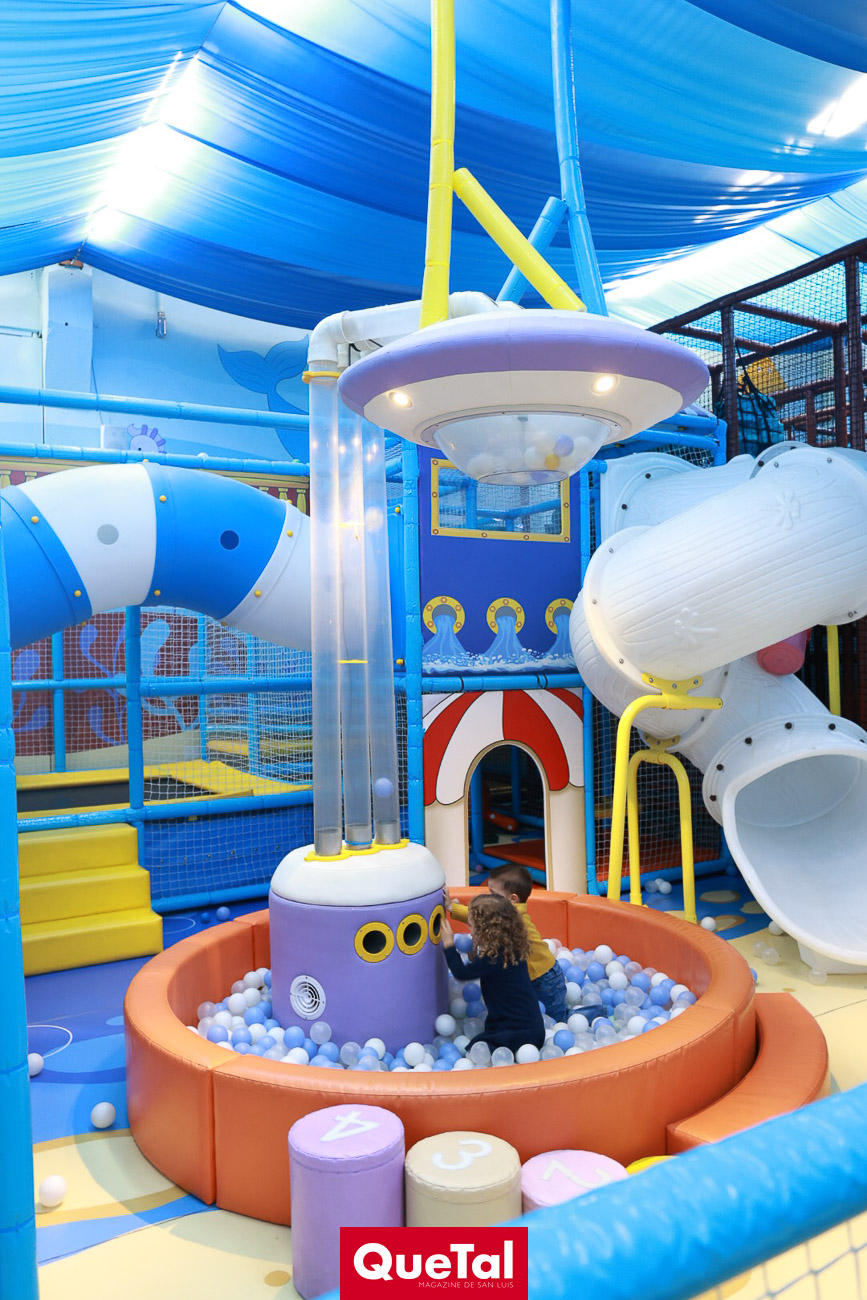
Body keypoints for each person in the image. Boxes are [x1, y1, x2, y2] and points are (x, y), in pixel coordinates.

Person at [444, 863, 570, 1023]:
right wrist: (451, 907)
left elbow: (479, 918)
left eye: (494, 894)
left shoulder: (512, 918)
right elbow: (479, 917)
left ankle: (596, 1012)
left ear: (512, 899)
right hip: (531, 977)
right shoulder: (505, 913)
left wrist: (452, 909)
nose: (490, 898)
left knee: (558, 1018)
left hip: (544, 977)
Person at [441, 894, 545, 1054]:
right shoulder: (513, 948)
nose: (470, 932)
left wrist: (448, 945)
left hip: (520, 1034)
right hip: (533, 1027)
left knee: (474, 1048)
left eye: (472, 927)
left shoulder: (493, 959)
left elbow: (461, 973)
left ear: (486, 931)